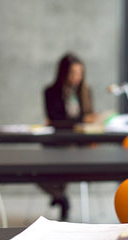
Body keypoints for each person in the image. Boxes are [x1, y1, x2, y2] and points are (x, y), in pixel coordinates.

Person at [41, 52, 96, 221]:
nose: (76, 77)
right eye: (73, 72)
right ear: (63, 73)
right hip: (57, 142)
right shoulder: (51, 92)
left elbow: (89, 118)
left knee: (66, 157)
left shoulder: (85, 92)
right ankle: (61, 196)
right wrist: (79, 120)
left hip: (80, 144)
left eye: (80, 73)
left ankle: (59, 196)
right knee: (34, 169)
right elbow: (55, 119)